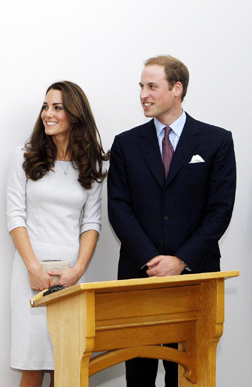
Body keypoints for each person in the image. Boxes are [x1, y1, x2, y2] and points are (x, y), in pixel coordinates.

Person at [107, 55, 237, 386]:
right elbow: (118, 208)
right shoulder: (125, 144)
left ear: (176, 89)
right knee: (138, 372)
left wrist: (180, 261)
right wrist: (153, 261)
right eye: (141, 86)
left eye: (152, 86)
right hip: (139, 276)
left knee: (188, 375)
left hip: (196, 277)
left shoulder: (216, 141)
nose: (143, 94)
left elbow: (220, 210)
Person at [6, 81, 108, 387]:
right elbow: (15, 215)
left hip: (71, 275)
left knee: (66, 366)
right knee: (32, 364)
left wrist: (77, 271)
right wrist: (34, 268)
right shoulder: (24, 156)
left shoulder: (92, 162)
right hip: (30, 273)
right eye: (45, 106)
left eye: (57, 107)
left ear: (75, 114)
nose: (48, 114)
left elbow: (92, 222)